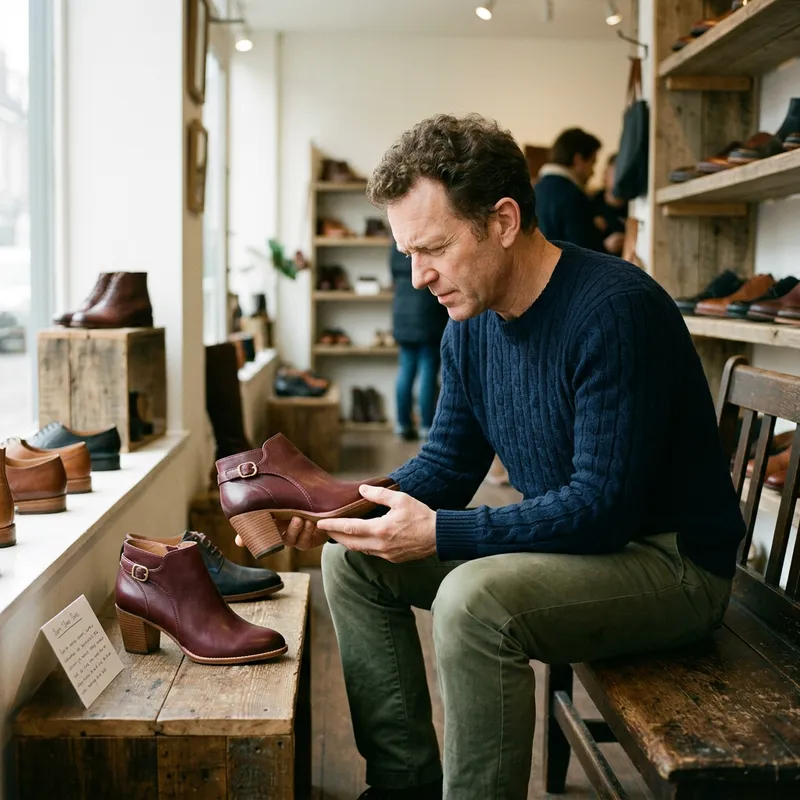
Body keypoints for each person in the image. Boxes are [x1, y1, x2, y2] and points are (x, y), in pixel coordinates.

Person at [245, 114, 745, 800]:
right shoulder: (472, 325)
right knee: (352, 563)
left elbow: (601, 509)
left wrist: (443, 532)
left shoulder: (615, 311)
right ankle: (404, 785)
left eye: (434, 249)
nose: (419, 278)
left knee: (472, 601)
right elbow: (448, 465)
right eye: (408, 255)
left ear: (504, 220)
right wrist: (342, 509)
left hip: (671, 563)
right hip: (589, 549)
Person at [390, 239, 449, 441]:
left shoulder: (398, 242)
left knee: (405, 370)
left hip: (402, 311)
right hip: (428, 311)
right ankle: (426, 425)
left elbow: (392, 273)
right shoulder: (426, 241)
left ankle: (402, 424)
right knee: (428, 372)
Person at [536, 127, 624, 254]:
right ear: (578, 160)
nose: (592, 172)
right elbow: (584, 254)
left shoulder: (535, 189)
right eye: (592, 163)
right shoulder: (573, 196)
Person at [590, 152, 628, 256]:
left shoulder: (636, 206)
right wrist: (604, 246)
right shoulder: (590, 204)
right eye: (616, 173)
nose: (621, 178)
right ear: (605, 175)